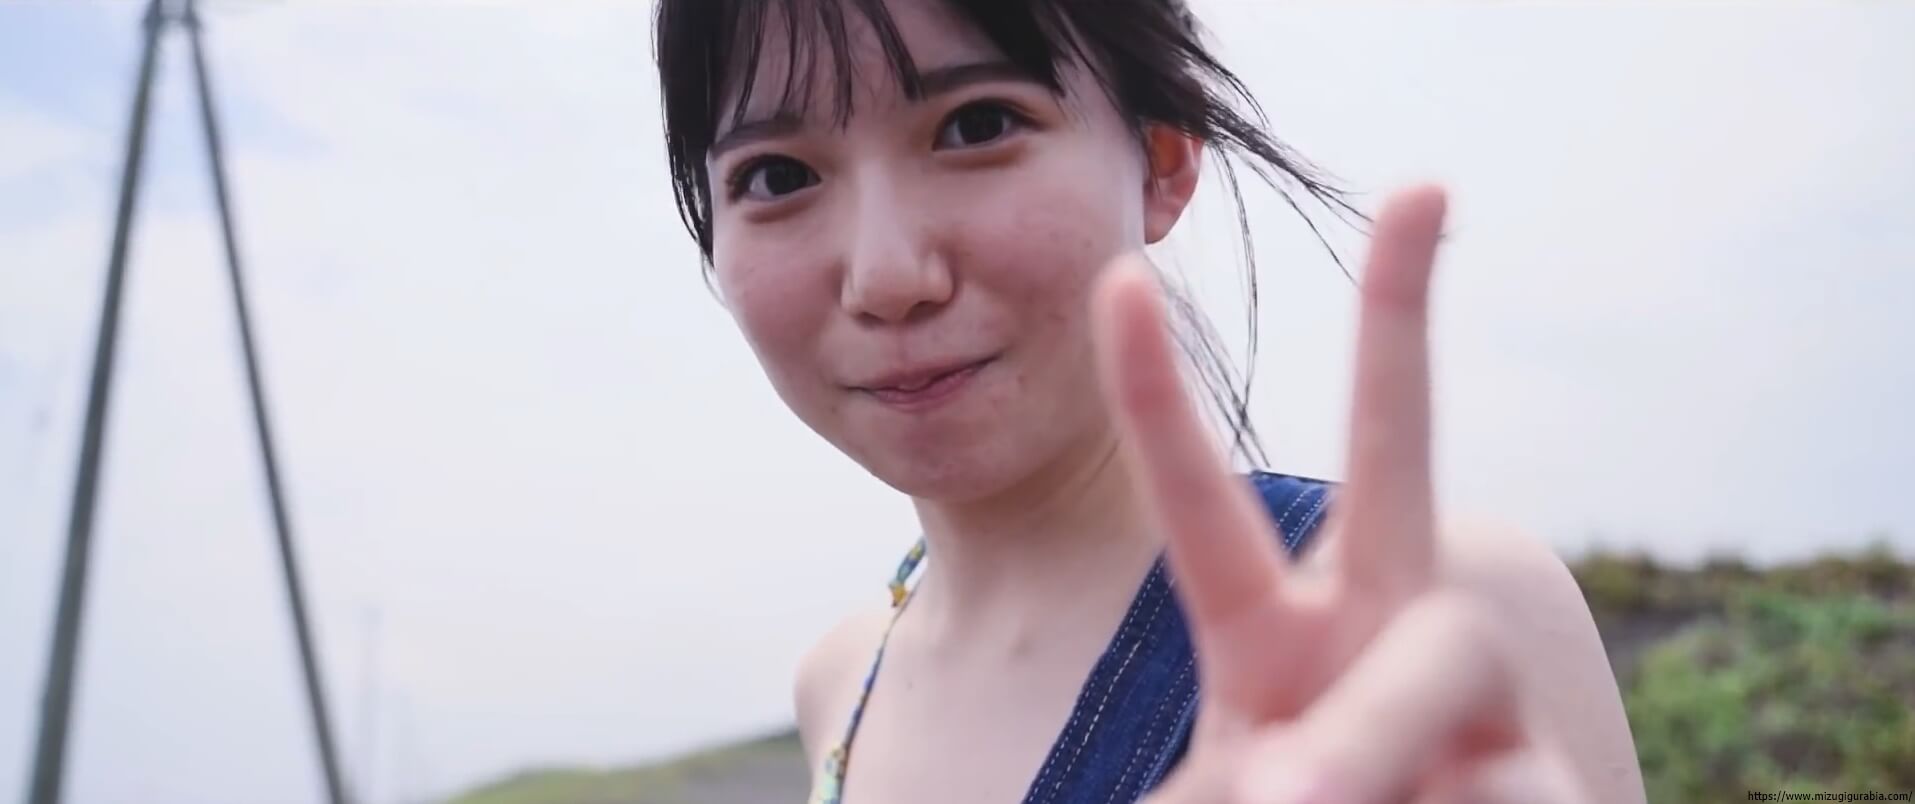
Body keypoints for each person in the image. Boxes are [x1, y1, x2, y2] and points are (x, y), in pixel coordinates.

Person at [651, 0, 1645, 801]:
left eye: (977, 124)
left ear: (1162, 158)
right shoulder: (840, 682)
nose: (885, 275)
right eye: (775, 176)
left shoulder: (1439, 622)